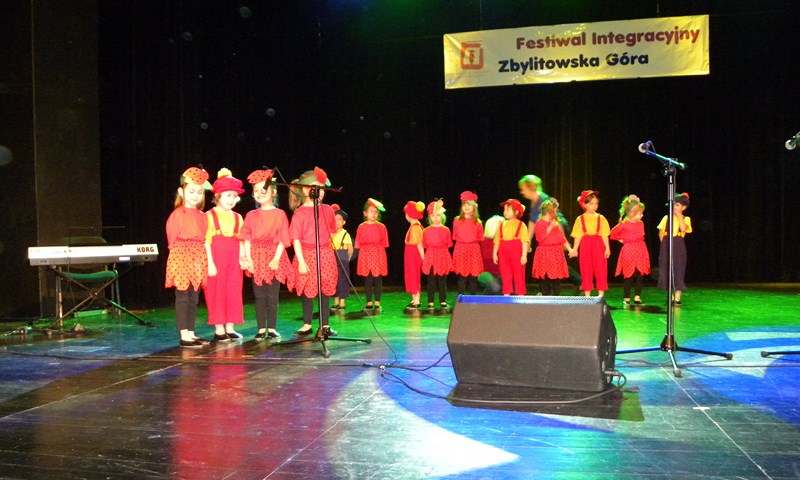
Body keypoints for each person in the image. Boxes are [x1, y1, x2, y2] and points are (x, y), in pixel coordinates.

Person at [241, 168, 293, 339]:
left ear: (274, 192)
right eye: (256, 190)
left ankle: (271, 328)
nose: (260, 193)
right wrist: (248, 259)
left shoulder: (280, 214)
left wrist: (277, 259)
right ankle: (261, 329)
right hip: (256, 257)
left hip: (273, 256)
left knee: (272, 295)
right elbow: (246, 238)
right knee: (259, 295)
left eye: (264, 189)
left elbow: (283, 238)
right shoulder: (251, 215)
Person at [286, 167, 338, 336]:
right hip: (307, 255)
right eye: (316, 188)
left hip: (325, 254)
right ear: (304, 190)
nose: (320, 192)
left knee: (325, 290)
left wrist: (327, 249)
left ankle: (325, 325)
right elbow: (295, 239)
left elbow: (332, 231)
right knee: (308, 290)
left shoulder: (328, 210)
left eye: (322, 189)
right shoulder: (300, 213)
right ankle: (307, 324)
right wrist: (301, 261)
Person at [165, 166, 211, 348]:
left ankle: (191, 332)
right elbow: (172, 240)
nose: (195, 196)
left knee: (194, 296)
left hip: (197, 257)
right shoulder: (177, 214)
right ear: (181, 192)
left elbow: (204, 238)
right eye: (191, 191)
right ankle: (184, 334)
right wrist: (179, 260)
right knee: (183, 295)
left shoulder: (202, 216)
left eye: (199, 192)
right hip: (181, 256)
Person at [204, 168, 247, 342]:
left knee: (233, 292)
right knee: (216, 292)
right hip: (216, 260)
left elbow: (242, 240)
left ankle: (230, 327)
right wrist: (210, 263)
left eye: (234, 196)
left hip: (234, 261)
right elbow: (206, 242)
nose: (232, 199)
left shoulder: (238, 217)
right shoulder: (209, 216)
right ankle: (219, 329)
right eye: (228, 195)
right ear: (217, 196)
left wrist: (243, 257)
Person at [610, 194, 651, 306]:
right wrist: (622, 240)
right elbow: (613, 234)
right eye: (640, 213)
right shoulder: (624, 224)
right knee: (629, 275)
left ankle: (637, 297)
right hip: (629, 250)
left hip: (640, 249)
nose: (642, 215)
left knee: (640, 274)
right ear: (632, 213)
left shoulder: (641, 223)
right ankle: (626, 297)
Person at [569, 190, 611, 297]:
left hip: (598, 244)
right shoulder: (580, 219)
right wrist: (575, 249)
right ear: (584, 204)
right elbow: (578, 236)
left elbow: (604, 235)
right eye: (591, 203)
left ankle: (600, 296)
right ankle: (587, 296)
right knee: (586, 269)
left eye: (596, 203)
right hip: (585, 245)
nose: (594, 206)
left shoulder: (601, 218)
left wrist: (607, 248)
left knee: (600, 269)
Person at [532, 198, 574, 295]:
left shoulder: (555, 223)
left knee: (556, 279)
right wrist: (551, 226)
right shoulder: (539, 223)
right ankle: (546, 297)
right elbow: (540, 238)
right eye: (555, 211)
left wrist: (570, 249)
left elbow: (561, 237)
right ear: (549, 211)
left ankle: (556, 298)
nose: (556, 213)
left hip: (556, 253)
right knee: (545, 278)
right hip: (545, 253)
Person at [355, 198, 389, 313]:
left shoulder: (381, 227)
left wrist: (380, 256)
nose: (373, 214)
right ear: (365, 213)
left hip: (378, 254)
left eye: (375, 212)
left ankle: (377, 303)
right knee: (368, 279)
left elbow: (385, 243)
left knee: (378, 279)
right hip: (365, 254)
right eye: (370, 211)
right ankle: (369, 302)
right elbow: (358, 243)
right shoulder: (361, 226)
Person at [657, 192, 692, 305]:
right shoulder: (666, 218)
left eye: (677, 205)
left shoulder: (686, 219)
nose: (675, 207)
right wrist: (664, 244)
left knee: (678, 268)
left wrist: (679, 216)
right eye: (673, 205)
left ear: (683, 207)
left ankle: (677, 297)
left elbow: (683, 229)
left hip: (678, 244)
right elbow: (661, 232)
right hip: (667, 243)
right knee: (666, 268)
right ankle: (670, 296)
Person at [421, 199, 453, 312]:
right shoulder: (426, 231)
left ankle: (442, 300)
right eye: (433, 216)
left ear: (442, 216)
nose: (435, 218)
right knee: (431, 281)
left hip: (442, 256)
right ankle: (431, 301)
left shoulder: (446, 230)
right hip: (431, 256)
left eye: (438, 215)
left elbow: (448, 244)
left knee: (442, 280)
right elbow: (425, 245)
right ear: (429, 217)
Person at [493, 199, 530, 295]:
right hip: (503, 253)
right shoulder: (501, 225)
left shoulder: (521, 225)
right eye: (504, 210)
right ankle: (506, 293)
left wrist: (524, 255)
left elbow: (525, 241)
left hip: (517, 252)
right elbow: (497, 241)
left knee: (519, 273)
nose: (505, 212)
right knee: (505, 273)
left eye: (508, 210)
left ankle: (520, 293)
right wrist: (494, 254)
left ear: (516, 212)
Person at [452, 191, 484, 295]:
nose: (466, 207)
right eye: (464, 204)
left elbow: (480, 238)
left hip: (473, 250)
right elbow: (455, 236)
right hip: (461, 249)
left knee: (473, 277)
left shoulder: (478, 222)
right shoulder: (457, 221)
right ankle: (460, 299)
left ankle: (472, 299)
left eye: (469, 204)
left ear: (474, 207)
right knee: (462, 276)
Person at [402, 201, 426, 311]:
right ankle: (414, 299)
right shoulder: (413, 226)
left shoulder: (416, 227)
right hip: (410, 254)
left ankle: (417, 300)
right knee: (411, 275)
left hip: (413, 254)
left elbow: (419, 244)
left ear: (409, 214)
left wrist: (423, 258)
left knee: (414, 276)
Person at [330, 204, 353, 314]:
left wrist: (347, 259)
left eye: (339, 220)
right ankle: (335, 301)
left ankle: (342, 302)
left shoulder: (345, 234)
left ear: (344, 222)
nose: (337, 222)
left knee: (343, 280)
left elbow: (350, 249)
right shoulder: (330, 234)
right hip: (332, 257)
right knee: (333, 280)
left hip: (343, 256)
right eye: (335, 220)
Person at [477, 215, 503, 295]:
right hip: (486, 272)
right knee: (496, 287)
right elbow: (488, 256)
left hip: (500, 272)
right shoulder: (484, 241)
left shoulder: (504, 241)